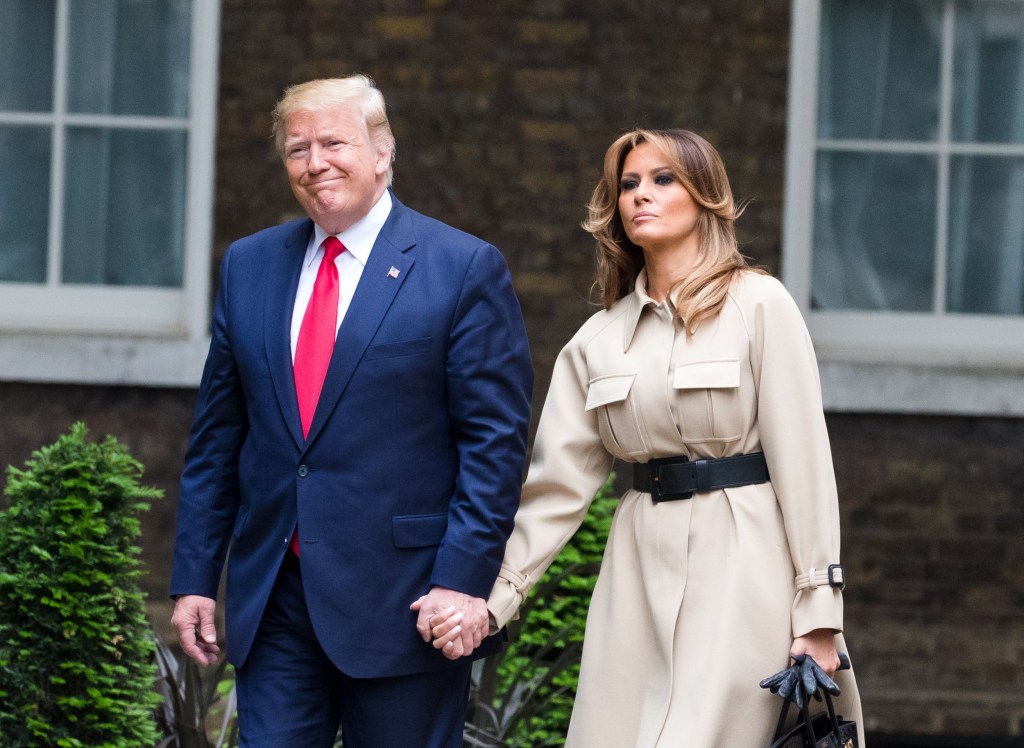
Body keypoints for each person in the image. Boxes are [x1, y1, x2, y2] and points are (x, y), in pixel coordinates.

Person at [428, 128, 865, 745]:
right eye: (628, 184)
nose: (641, 195)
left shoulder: (760, 306)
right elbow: (555, 492)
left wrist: (819, 613)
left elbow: (806, 466)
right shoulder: (596, 341)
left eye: (663, 180)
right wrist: (491, 601)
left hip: (744, 561)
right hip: (635, 568)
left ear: (704, 196)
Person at [169, 75, 533, 747]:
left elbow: (494, 444)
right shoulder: (249, 266)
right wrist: (194, 575)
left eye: (333, 142)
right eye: (297, 148)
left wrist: (462, 581)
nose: (315, 163)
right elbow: (219, 437)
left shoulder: (461, 268)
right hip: (276, 592)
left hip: (406, 600)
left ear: (382, 153)